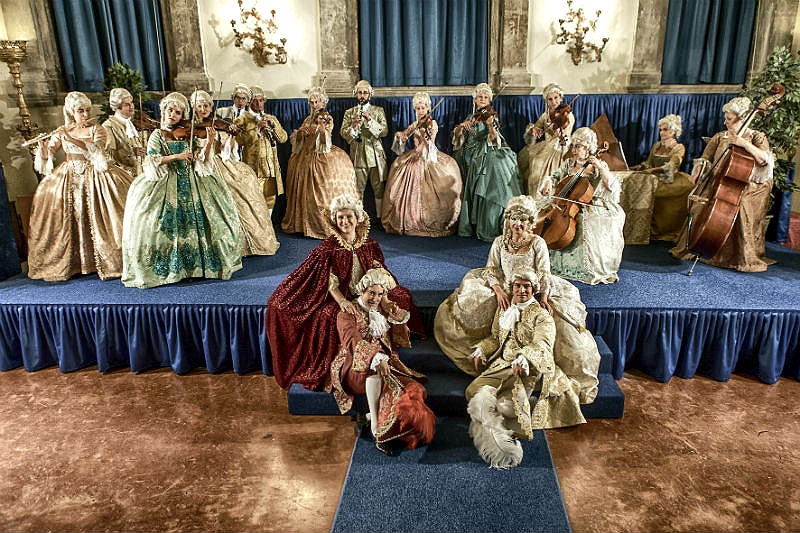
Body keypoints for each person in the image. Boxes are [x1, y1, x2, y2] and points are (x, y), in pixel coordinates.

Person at [434, 195, 599, 425]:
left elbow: (544, 272)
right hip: (506, 286)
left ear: (530, 222)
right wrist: (498, 290)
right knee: (477, 299)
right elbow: (491, 268)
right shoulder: (500, 242)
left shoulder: (537, 243)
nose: (517, 225)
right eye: (514, 219)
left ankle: (524, 388)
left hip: (531, 288)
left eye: (523, 221)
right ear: (508, 220)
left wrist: (543, 297)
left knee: (557, 321)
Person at [267, 194, 424, 392]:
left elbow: (379, 273)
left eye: (349, 216)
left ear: (357, 218)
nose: (345, 221)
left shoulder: (368, 244)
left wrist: (383, 299)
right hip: (341, 296)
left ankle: (382, 343)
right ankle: (351, 359)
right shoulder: (328, 248)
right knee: (327, 316)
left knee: (400, 298)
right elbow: (328, 281)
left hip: (369, 293)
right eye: (340, 217)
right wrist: (342, 301)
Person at [121, 92, 243, 289]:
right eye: (170, 110)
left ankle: (198, 267)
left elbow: (201, 159)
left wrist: (209, 141)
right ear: (163, 111)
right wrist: (176, 157)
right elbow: (151, 160)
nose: (173, 115)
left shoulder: (189, 132)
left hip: (193, 180)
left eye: (177, 113)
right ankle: (173, 269)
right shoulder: (157, 134)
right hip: (165, 181)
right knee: (159, 224)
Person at [467, 268, 578, 469]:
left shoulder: (542, 315)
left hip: (528, 368)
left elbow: (543, 343)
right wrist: (481, 350)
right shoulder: (505, 309)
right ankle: (501, 422)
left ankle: (522, 410)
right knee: (472, 391)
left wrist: (524, 357)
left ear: (533, 289)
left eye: (526, 286)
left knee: (505, 408)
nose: (521, 290)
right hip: (502, 365)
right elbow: (495, 337)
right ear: (512, 287)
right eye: (517, 286)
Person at [29, 91, 134, 281]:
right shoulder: (62, 130)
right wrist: (43, 149)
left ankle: (107, 261)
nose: (85, 114)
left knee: (105, 212)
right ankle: (76, 263)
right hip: (69, 175)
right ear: (71, 112)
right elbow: (48, 156)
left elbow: (96, 150)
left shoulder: (97, 129)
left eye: (87, 110)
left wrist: (69, 138)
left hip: (95, 173)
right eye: (80, 111)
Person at [330, 268, 436, 456]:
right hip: (352, 366)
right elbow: (352, 342)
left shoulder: (379, 310)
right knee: (375, 372)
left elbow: (390, 337)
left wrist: (397, 317)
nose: (375, 298)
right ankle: (376, 430)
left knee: (412, 391)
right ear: (361, 290)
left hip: (383, 362)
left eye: (380, 294)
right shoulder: (346, 313)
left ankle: (369, 417)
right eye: (371, 293)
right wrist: (375, 357)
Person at [670, 96, 775, 272]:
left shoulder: (757, 137)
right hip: (720, 180)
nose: (725, 122)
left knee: (741, 205)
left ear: (742, 118)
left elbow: (764, 160)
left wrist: (743, 144)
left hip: (747, 184)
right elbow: (705, 158)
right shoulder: (720, 137)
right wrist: (698, 171)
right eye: (725, 118)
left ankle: (736, 255)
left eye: (729, 119)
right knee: (702, 201)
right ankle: (700, 244)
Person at [189, 90, 279, 256]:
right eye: (199, 106)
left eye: (206, 105)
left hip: (220, 162)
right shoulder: (190, 127)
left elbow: (227, 152)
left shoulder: (218, 123)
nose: (203, 109)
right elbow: (195, 154)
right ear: (194, 107)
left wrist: (231, 137)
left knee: (245, 183)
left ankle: (248, 241)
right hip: (200, 166)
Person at [542, 127, 626, 284]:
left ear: (588, 148)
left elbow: (612, 186)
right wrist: (548, 183)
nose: (573, 150)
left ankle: (581, 266)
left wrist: (601, 168)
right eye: (573, 146)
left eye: (578, 146)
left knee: (587, 223)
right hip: (564, 202)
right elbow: (555, 176)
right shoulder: (568, 163)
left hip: (587, 203)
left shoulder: (597, 165)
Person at [381, 91, 462, 236]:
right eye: (418, 108)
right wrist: (401, 136)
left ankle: (427, 219)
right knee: (397, 168)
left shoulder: (432, 124)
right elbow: (404, 137)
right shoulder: (415, 124)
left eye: (423, 108)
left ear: (428, 108)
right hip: (415, 155)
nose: (420, 111)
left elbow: (430, 146)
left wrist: (425, 136)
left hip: (429, 156)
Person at [281, 86, 358, 239]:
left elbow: (326, 140)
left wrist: (320, 129)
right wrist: (301, 133)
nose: (314, 105)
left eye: (317, 102)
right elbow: (298, 138)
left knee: (321, 190)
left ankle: (322, 224)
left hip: (321, 155)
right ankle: (302, 225)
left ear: (323, 102)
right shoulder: (308, 118)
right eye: (311, 102)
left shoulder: (326, 117)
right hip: (305, 156)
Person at [453, 82, 522, 242]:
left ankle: (498, 216)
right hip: (471, 150)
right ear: (475, 100)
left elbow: (493, 138)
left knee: (499, 165)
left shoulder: (492, 116)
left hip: (489, 148)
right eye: (480, 97)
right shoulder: (471, 117)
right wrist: (461, 127)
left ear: (490, 100)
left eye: (485, 97)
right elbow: (457, 136)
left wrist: (490, 126)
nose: (482, 99)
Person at [620, 114, 694, 243]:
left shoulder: (679, 147)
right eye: (660, 130)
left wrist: (653, 171)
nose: (662, 132)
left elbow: (672, 166)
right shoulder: (657, 145)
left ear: (674, 131)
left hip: (669, 179)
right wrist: (634, 167)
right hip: (653, 178)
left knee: (655, 192)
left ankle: (661, 230)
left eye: (665, 129)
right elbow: (648, 164)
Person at [233, 85, 288, 213]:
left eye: (261, 100)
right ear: (249, 102)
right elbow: (239, 141)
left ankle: (268, 224)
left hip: (271, 168)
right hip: (253, 168)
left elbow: (283, 139)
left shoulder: (271, 118)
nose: (259, 104)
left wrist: (273, 126)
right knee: (254, 201)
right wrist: (257, 130)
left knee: (270, 200)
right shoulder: (242, 119)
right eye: (255, 101)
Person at [340, 80, 388, 221]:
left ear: (370, 94)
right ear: (356, 94)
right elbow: (343, 133)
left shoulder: (378, 111)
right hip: (358, 155)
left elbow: (384, 131)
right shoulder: (349, 113)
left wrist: (370, 121)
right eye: (360, 92)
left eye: (365, 93)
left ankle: (379, 218)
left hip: (375, 155)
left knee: (379, 188)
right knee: (357, 189)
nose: (362, 95)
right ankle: (359, 219)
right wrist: (354, 127)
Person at [517, 83, 575, 199]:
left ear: (561, 98)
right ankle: (535, 198)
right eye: (550, 99)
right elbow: (536, 126)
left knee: (546, 166)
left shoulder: (568, 115)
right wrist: (534, 129)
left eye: (556, 98)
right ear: (546, 101)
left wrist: (559, 133)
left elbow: (566, 134)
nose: (554, 102)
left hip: (560, 147)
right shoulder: (545, 115)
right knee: (535, 163)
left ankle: (548, 198)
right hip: (546, 146)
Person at [102, 87, 146, 177]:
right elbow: (108, 155)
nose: (131, 106)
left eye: (131, 103)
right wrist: (131, 152)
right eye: (127, 105)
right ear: (117, 107)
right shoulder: (109, 126)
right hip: (123, 175)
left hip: (140, 174)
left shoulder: (130, 124)